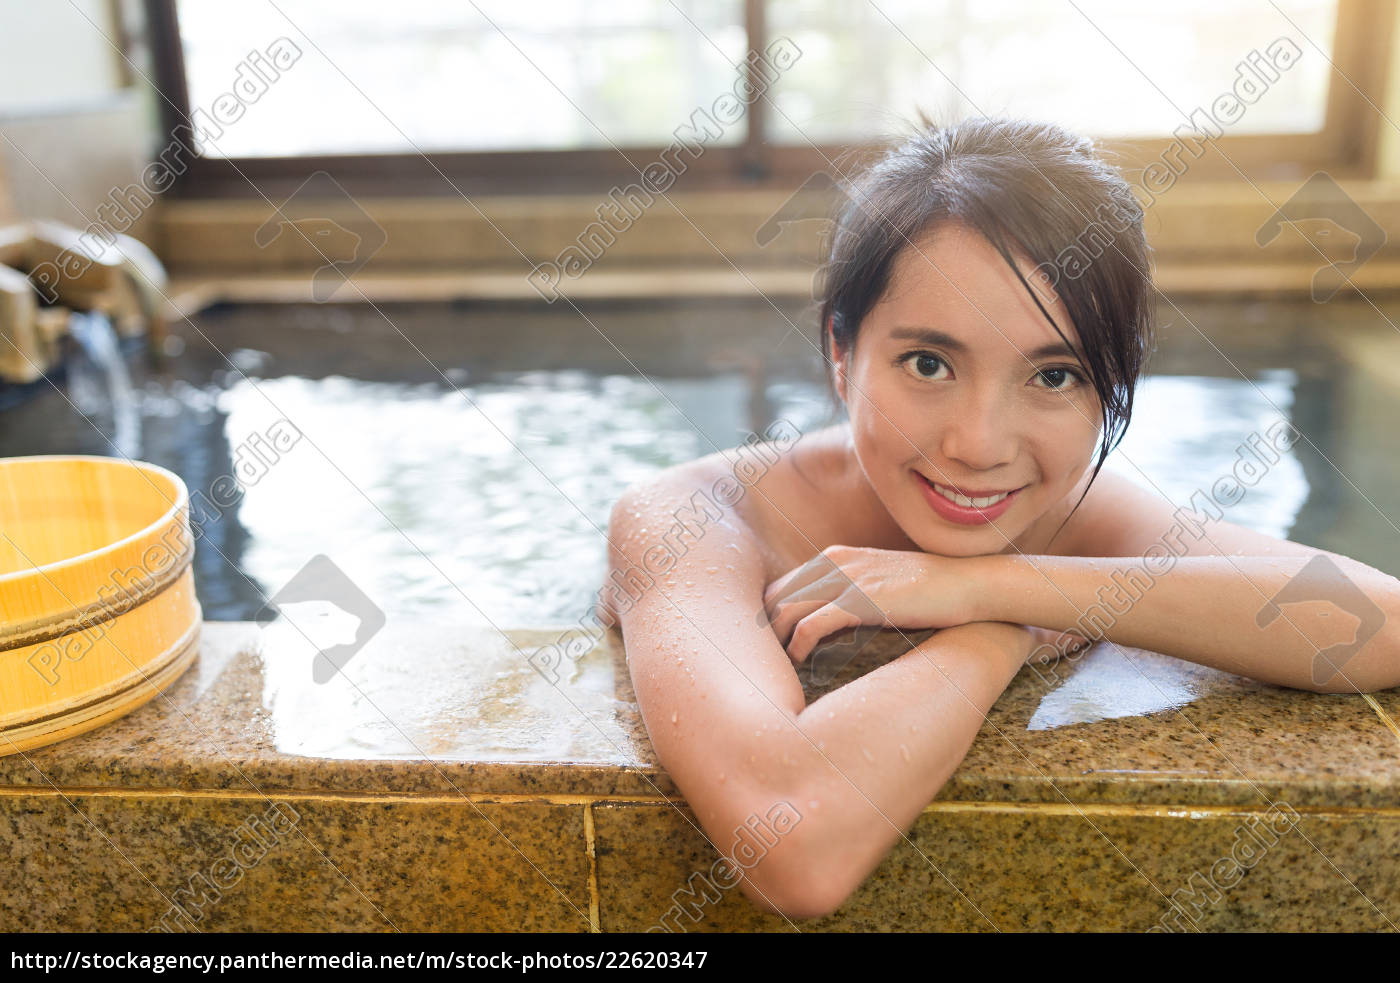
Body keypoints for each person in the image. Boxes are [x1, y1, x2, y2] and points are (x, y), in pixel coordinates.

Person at [595, 116, 1400, 923]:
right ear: (840, 354)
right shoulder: (698, 515)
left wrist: (990, 590)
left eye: (1054, 375)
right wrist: (1006, 627)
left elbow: (1379, 620)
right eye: (929, 363)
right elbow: (791, 842)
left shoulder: (1070, 515)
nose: (979, 445)